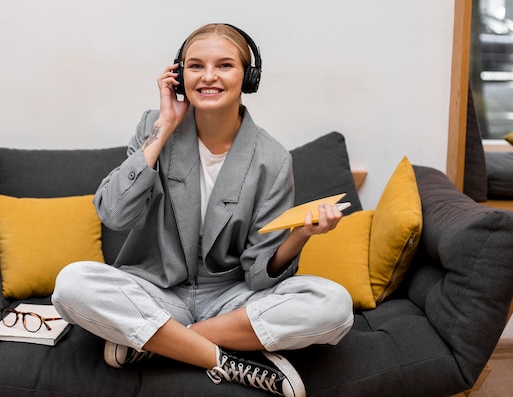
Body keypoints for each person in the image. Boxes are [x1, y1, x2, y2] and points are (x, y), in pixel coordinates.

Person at [52, 23, 353, 397]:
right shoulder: (153, 126)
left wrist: (300, 236)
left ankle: (159, 342)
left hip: (231, 303)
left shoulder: (272, 159)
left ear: (248, 77)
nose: (209, 77)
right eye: (196, 66)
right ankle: (226, 361)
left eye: (224, 65)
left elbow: (259, 277)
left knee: (335, 305)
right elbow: (114, 215)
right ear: (179, 75)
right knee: (71, 284)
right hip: (156, 290)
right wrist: (164, 128)